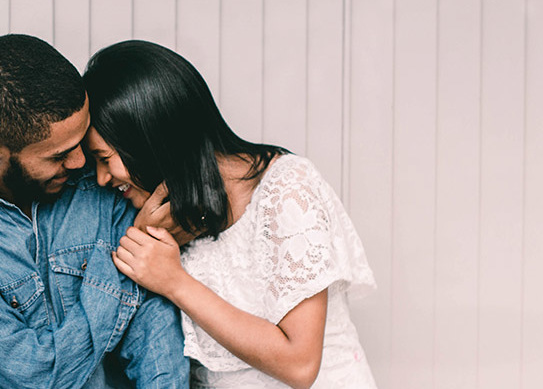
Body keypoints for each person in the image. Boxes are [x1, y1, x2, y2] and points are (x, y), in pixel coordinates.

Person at [0, 34, 188, 388]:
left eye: (81, 144)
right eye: (58, 156)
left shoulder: (102, 181)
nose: (80, 163)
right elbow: (35, 375)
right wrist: (129, 252)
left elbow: (152, 329)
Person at [82, 40, 378, 389]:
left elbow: (300, 365)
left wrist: (174, 282)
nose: (102, 178)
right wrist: (144, 237)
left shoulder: (286, 188)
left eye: (105, 158)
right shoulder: (162, 215)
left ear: (149, 140)